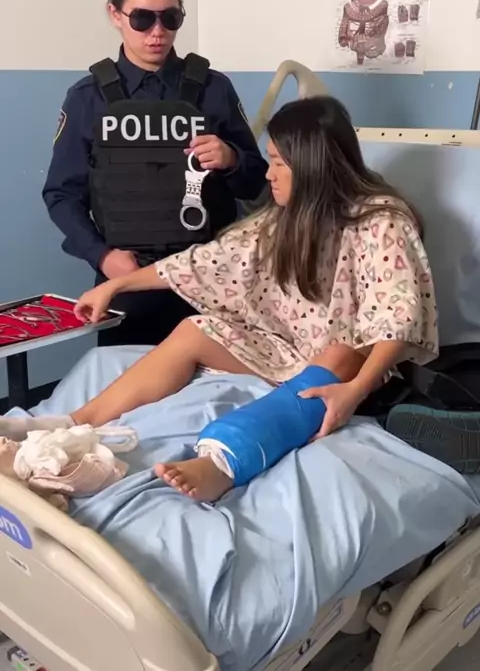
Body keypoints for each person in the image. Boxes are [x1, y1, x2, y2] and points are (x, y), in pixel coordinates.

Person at [3, 96, 439, 501]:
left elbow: (397, 318)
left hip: (353, 367)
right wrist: (116, 285)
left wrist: (355, 392)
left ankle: (222, 463)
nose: (268, 174)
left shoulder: (381, 223)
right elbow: (207, 261)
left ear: (311, 164)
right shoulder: (288, 217)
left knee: (340, 353)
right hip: (287, 348)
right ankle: (72, 423)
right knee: (195, 329)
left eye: (278, 162)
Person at [42, 0, 267, 346]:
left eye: (171, 18)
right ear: (115, 14)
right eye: (143, 18)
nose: (158, 32)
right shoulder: (87, 99)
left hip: (209, 278)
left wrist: (231, 159)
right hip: (128, 280)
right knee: (127, 380)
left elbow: (256, 183)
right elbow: (61, 195)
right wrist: (103, 257)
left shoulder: (214, 89)